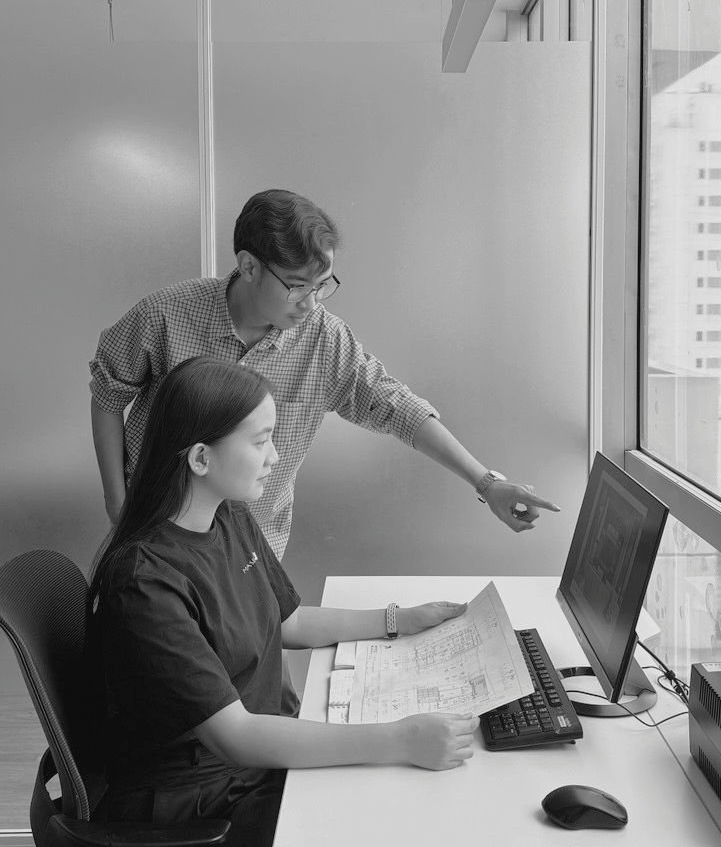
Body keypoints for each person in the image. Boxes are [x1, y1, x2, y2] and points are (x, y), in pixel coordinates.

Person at [89, 357, 479, 847]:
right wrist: (399, 740)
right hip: (198, 800)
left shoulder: (227, 514)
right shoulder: (144, 582)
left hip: (254, 756)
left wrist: (398, 620)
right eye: (260, 442)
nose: (275, 457)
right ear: (201, 459)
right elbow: (235, 736)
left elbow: (288, 620)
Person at [90, 188, 559, 557]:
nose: (311, 304)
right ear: (249, 266)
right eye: (297, 287)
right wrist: (117, 503)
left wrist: (487, 482)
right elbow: (108, 396)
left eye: (322, 286)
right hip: (155, 540)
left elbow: (395, 406)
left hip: (252, 561)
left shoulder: (323, 339)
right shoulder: (165, 315)